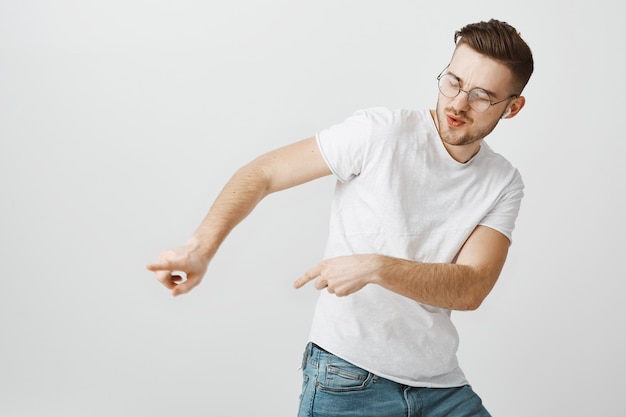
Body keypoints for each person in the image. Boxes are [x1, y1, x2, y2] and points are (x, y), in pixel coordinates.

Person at [147, 18, 533, 417]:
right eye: (452, 81)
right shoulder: (379, 134)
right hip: (349, 378)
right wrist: (200, 246)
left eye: (482, 96)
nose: (457, 103)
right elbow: (263, 173)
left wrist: (375, 267)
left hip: (441, 388)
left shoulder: (502, 182)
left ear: (513, 107)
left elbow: (471, 287)